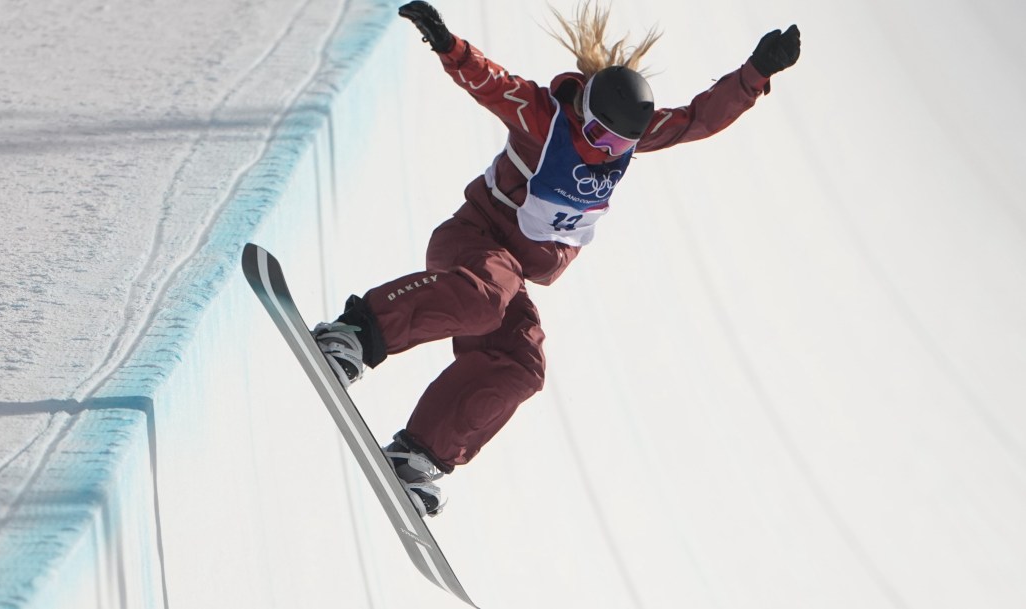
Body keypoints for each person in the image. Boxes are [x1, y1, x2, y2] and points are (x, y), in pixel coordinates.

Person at [313, 0, 801, 517]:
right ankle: (354, 333)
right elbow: (489, 82)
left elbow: (697, 118)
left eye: (619, 144)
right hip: (474, 239)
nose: (605, 151)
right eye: (597, 135)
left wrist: (755, 74)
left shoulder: (626, 145)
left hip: (510, 272)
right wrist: (448, 44)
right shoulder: (543, 117)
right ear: (583, 112)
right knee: (485, 298)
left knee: (522, 364)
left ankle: (419, 453)